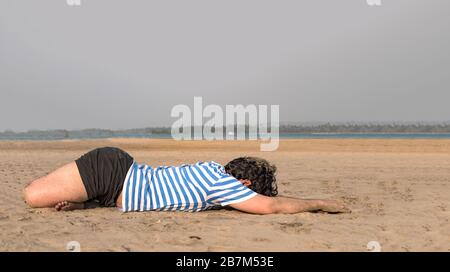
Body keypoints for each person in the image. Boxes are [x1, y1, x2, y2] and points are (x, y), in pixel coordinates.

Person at [23, 147, 350, 214]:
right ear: (246, 186)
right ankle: (84, 195)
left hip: (111, 193)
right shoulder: (222, 184)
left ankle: (86, 202)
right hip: (114, 172)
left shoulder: (212, 172)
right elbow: (273, 207)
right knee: (32, 197)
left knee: (46, 196)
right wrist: (319, 203)